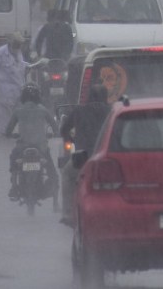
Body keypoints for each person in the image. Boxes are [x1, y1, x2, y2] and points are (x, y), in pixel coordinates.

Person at [58, 84, 111, 225]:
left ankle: (68, 213)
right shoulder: (112, 110)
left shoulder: (78, 110)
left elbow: (64, 130)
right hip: (106, 157)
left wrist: (70, 140)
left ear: (88, 97)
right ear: (105, 97)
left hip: (82, 157)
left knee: (67, 175)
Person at [5, 83, 60, 201]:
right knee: (51, 170)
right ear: (38, 98)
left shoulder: (18, 111)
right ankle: (54, 192)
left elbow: (8, 130)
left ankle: (14, 186)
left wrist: (10, 135)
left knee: (13, 161)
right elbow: (55, 127)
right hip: (41, 147)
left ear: (23, 97)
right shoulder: (43, 110)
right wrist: (55, 134)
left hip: (22, 147)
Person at [0, 32, 28, 135]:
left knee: (16, 111)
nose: (18, 46)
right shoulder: (0, 53)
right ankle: (3, 132)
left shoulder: (19, 53)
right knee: (4, 112)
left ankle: (2, 128)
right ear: (10, 43)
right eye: (16, 44)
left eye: (20, 44)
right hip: (4, 87)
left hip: (18, 87)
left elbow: (20, 68)